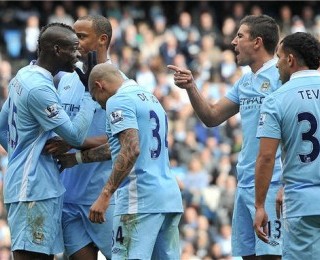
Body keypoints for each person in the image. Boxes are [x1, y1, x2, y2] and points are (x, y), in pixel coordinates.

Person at [168, 15, 282, 259]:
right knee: (249, 255)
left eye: (240, 36)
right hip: (244, 182)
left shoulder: (281, 78)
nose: (233, 42)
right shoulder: (244, 82)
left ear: (257, 42)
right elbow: (211, 116)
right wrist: (191, 87)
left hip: (274, 183)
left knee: (272, 256)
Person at [57, 63, 184, 259]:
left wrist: (105, 194)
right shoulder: (149, 97)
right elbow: (117, 148)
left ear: (100, 86)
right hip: (168, 198)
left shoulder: (118, 100)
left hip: (139, 200)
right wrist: (77, 158)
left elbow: (131, 149)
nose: (99, 104)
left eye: (95, 98)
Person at [254, 32, 320, 260]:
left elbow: (265, 158)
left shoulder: (276, 100)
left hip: (304, 204)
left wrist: (260, 205)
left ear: (290, 60)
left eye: (279, 58)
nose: (277, 66)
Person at [0, 23, 96, 260]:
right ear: (56, 50)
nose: (78, 54)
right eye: (73, 49)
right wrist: (88, 94)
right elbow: (73, 136)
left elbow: (1, 127)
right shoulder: (39, 88)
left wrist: (22, 155)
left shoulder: (22, 76)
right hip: (33, 190)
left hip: (30, 184)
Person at [44, 15, 126, 260]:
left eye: (80, 36)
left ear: (102, 40)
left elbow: (124, 142)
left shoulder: (121, 86)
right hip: (67, 197)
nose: (74, 41)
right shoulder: (66, 80)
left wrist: (74, 144)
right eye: (73, 35)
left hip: (103, 199)